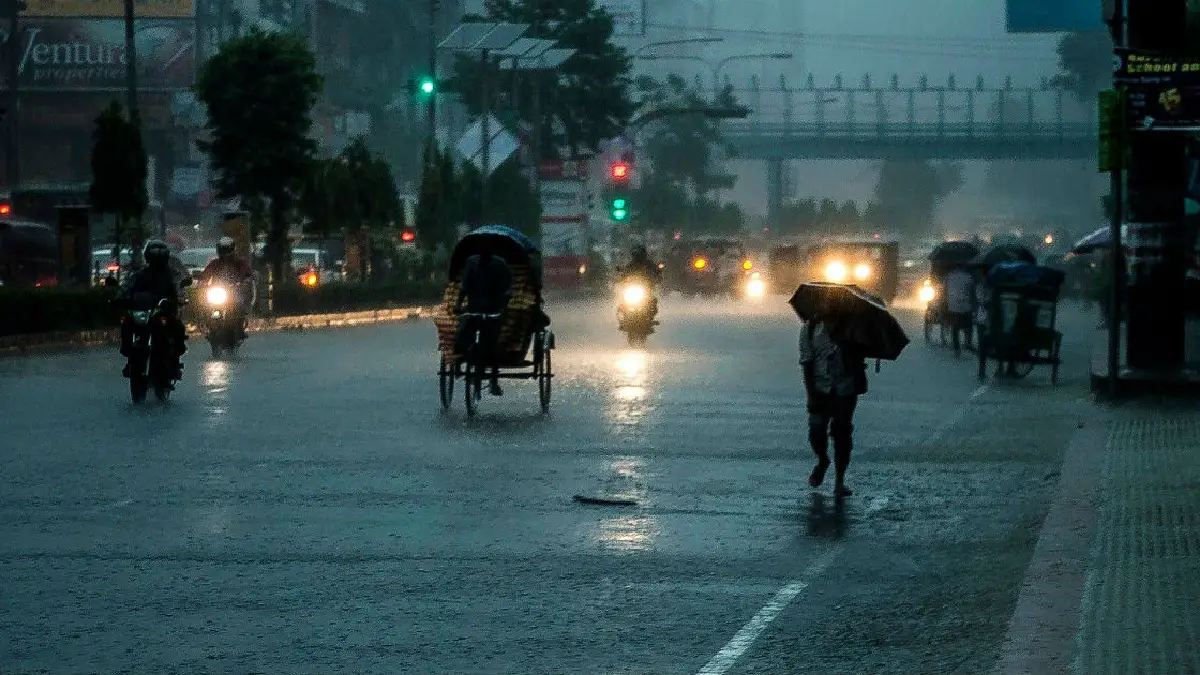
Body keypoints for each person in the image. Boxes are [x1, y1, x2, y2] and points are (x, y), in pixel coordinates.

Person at [799, 313, 867, 497]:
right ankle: (823, 460)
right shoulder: (810, 328)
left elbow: (864, 350)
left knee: (842, 433)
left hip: (846, 388)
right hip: (820, 389)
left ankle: (839, 481)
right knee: (816, 432)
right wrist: (810, 394)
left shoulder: (853, 326)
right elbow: (806, 364)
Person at [116, 239, 187, 380]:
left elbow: (179, 288)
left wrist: (178, 298)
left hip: (163, 312)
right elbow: (126, 288)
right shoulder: (139, 274)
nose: (156, 260)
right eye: (154, 257)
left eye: (159, 257)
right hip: (143, 312)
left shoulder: (172, 275)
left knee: (178, 327)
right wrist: (119, 297)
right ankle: (129, 355)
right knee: (126, 321)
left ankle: (173, 362)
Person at [455, 250, 513, 396]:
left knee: (493, 346)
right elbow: (464, 287)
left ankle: (494, 381)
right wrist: (458, 304)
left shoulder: (500, 264)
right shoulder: (472, 263)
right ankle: (459, 359)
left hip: (493, 311)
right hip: (473, 309)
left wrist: (504, 308)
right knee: (463, 335)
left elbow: (507, 290)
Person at [198, 236, 255, 338]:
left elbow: (248, 274)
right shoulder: (215, 263)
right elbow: (205, 274)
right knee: (206, 306)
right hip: (218, 292)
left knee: (239, 306)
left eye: (226, 249)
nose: (224, 253)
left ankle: (239, 327)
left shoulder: (239, 263)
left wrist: (246, 281)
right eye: (222, 249)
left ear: (232, 249)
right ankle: (209, 326)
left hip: (235, 292)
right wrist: (201, 281)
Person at [944, 264, 975, 357]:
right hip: (966, 307)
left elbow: (944, 290)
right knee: (969, 326)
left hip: (953, 307)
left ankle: (957, 348)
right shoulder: (969, 277)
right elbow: (972, 291)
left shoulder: (948, 277)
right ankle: (968, 342)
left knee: (955, 329)